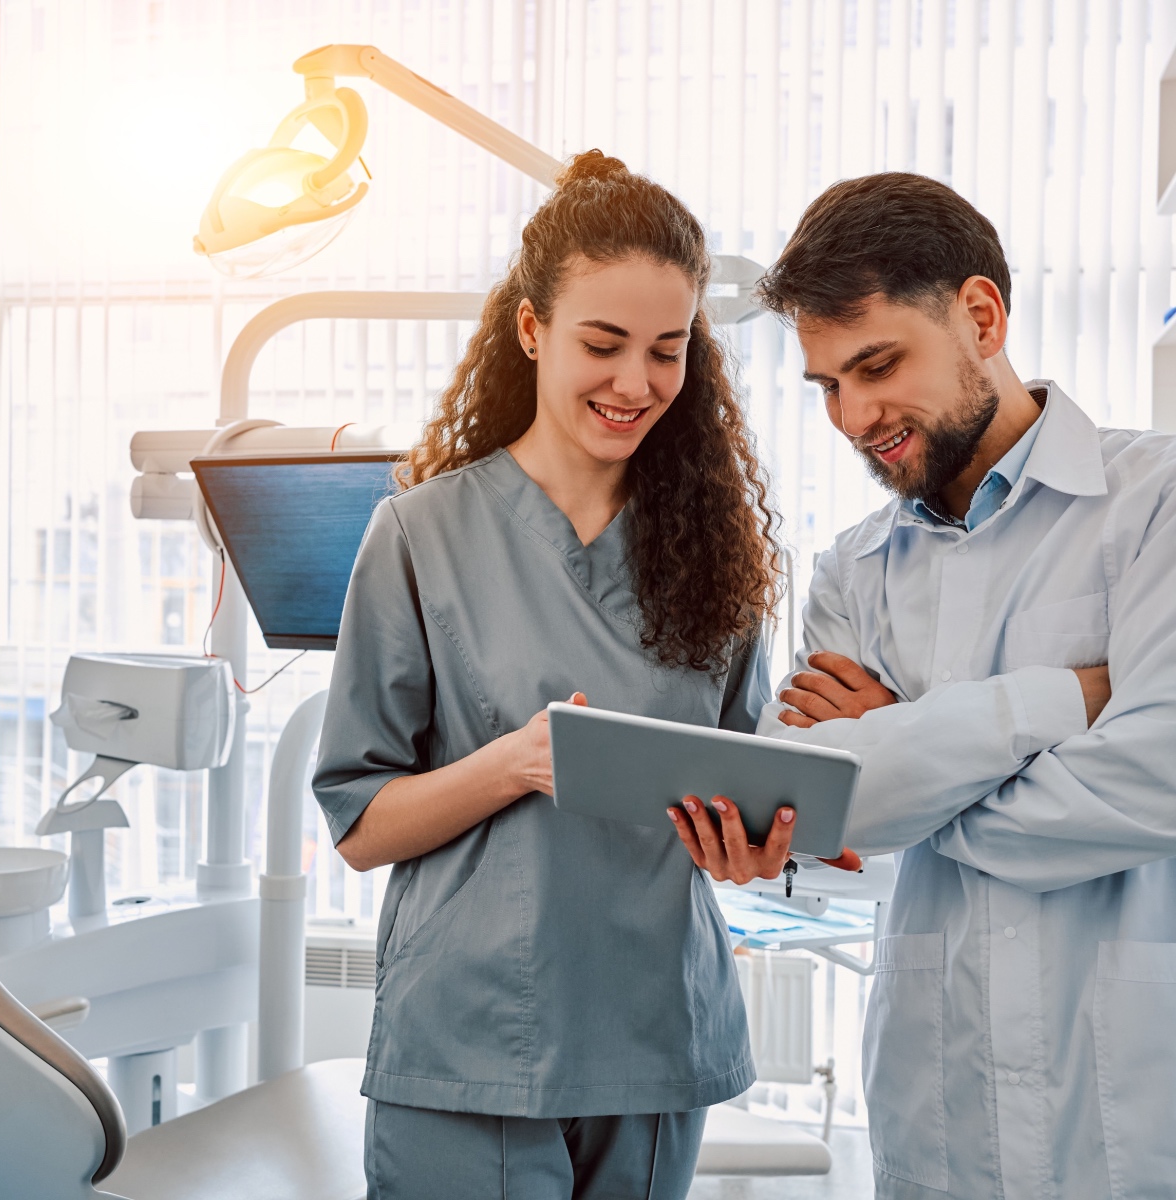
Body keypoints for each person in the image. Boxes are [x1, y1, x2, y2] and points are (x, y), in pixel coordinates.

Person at [669, 172, 1176, 1198]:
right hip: (935, 1114)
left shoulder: (1152, 506)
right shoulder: (854, 568)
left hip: (1121, 1104)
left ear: (980, 316)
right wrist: (1058, 705)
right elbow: (828, 804)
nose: (855, 416)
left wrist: (907, 760)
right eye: (826, 386)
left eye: (878, 364)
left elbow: (1152, 780)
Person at [312, 150, 796, 1200]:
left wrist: (753, 850)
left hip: (656, 1035)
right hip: (473, 1040)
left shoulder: (722, 558)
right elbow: (358, 825)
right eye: (604, 344)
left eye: (667, 351)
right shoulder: (421, 534)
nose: (637, 384)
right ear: (531, 330)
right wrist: (518, 764)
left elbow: (743, 782)